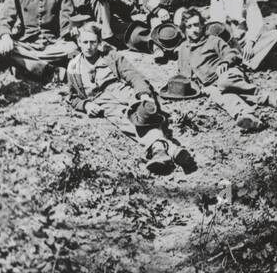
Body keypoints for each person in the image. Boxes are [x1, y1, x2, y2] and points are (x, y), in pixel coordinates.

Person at [67, 23, 195, 176]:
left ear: (99, 42)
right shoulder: (73, 67)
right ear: (78, 43)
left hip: (122, 90)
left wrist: (143, 94)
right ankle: (170, 149)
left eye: (93, 42)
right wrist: (86, 105)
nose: (89, 46)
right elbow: (73, 97)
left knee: (144, 113)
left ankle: (160, 150)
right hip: (102, 100)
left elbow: (133, 75)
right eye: (85, 42)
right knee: (125, 120)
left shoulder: (110, 56)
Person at [175, 9, 267, 132]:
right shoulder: (183, 49)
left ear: (202, 25)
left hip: (226, 74)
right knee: (220, 96)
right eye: (189, 26)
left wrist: (225, 62)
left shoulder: (212, 40)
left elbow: (231, 53)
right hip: (208, 84)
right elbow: (182, 72)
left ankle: (264, 97)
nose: (194, 29)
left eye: (196, 25)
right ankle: (247, 116)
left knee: (224, 83)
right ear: (184, 29)